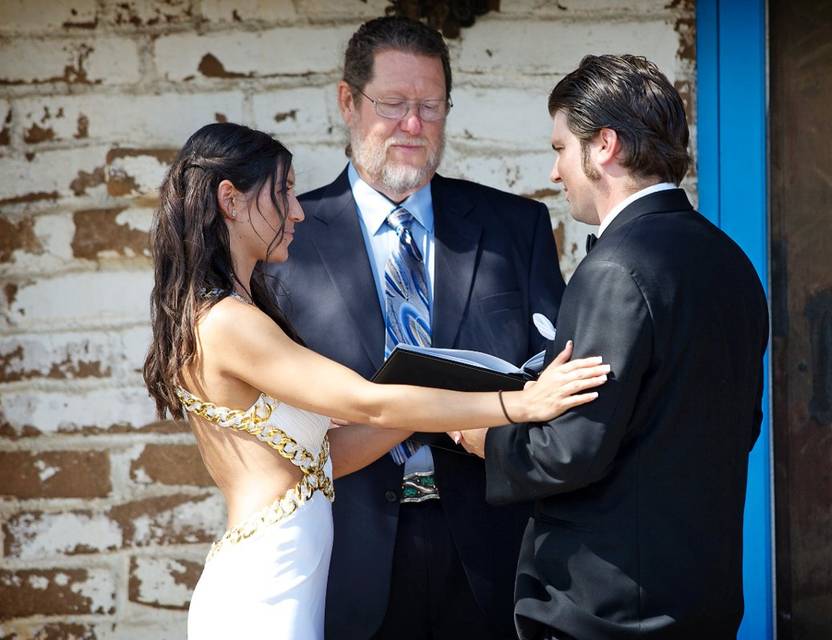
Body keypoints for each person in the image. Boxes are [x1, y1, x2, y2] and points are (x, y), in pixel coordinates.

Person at [142, 122, 607, 639]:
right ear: (230, 200)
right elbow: (370, 404)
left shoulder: (235, 311)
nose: (298, 210)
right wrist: (518, 404)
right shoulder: (229, 321)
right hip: (266, 585)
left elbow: (331, 454)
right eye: (284, 192)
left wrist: (440, 397)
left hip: (289, 575)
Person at [262, 16, 566, 640]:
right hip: (346, 557)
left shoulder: (515, 227)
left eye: (430, 106)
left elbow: (552, 372)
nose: (413, 125)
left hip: (493, 554)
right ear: (348, 102)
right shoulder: (287, 240)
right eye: (394, 104)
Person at [458, 55, 770, 639]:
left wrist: (483, 436)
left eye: (559, 149)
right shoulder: (731, 263)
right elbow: (740, 425)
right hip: (704, 595)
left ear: (603, 146)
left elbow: (571, 448)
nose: (555, 173)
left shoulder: (615, 270)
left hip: (608, 607)